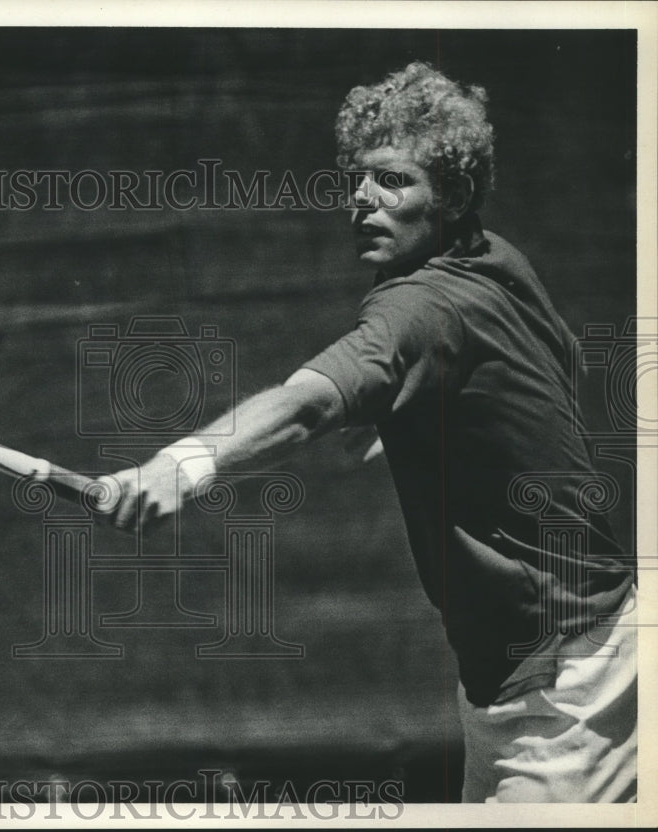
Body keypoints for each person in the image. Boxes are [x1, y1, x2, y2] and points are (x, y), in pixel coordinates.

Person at [101, 62, 637, 803]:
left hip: (563, 680)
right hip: (531, 664)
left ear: (447, 197)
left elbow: (307, 404)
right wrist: (419, 416)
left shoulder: (417, 310)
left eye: (392, 181)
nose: (361, 199)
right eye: (359, 178)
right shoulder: (495, 258)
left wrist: (180, 463)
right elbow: (551, 361)